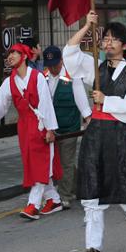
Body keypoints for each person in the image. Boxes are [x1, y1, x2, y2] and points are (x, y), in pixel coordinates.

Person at [63, 12, 126, 252]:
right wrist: (86, 26)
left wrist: (106, 100)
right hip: (96, 135)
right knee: (92, 188)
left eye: (114, 39)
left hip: (121, 133)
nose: (108, 43)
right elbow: (69, 54)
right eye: (105, 38)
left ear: (124, 46)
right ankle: (94, 246)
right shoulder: (96, 66)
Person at [0, 43, 62, 220]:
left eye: (14, 53)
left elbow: (46, 103)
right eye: (9, 53)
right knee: (33, 163)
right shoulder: (9, 82)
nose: (10, 56)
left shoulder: (37, 77)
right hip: (24, 127)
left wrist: (50, 128)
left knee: (39, 163)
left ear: (24, 56)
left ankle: (33, 204)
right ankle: (54, 199)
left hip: (40, 124)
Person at [40, 45, 91, 209]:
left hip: (70, 127)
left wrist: (87, 117)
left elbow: (81, 98)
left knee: (66, 162)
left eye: (55, 64)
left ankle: (65, 195)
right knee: (59, 161)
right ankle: (79, 186)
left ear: (62, 61)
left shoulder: (72, 76)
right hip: (51, 128)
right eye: (49, 65)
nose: (53, 68)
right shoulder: (43, 77)